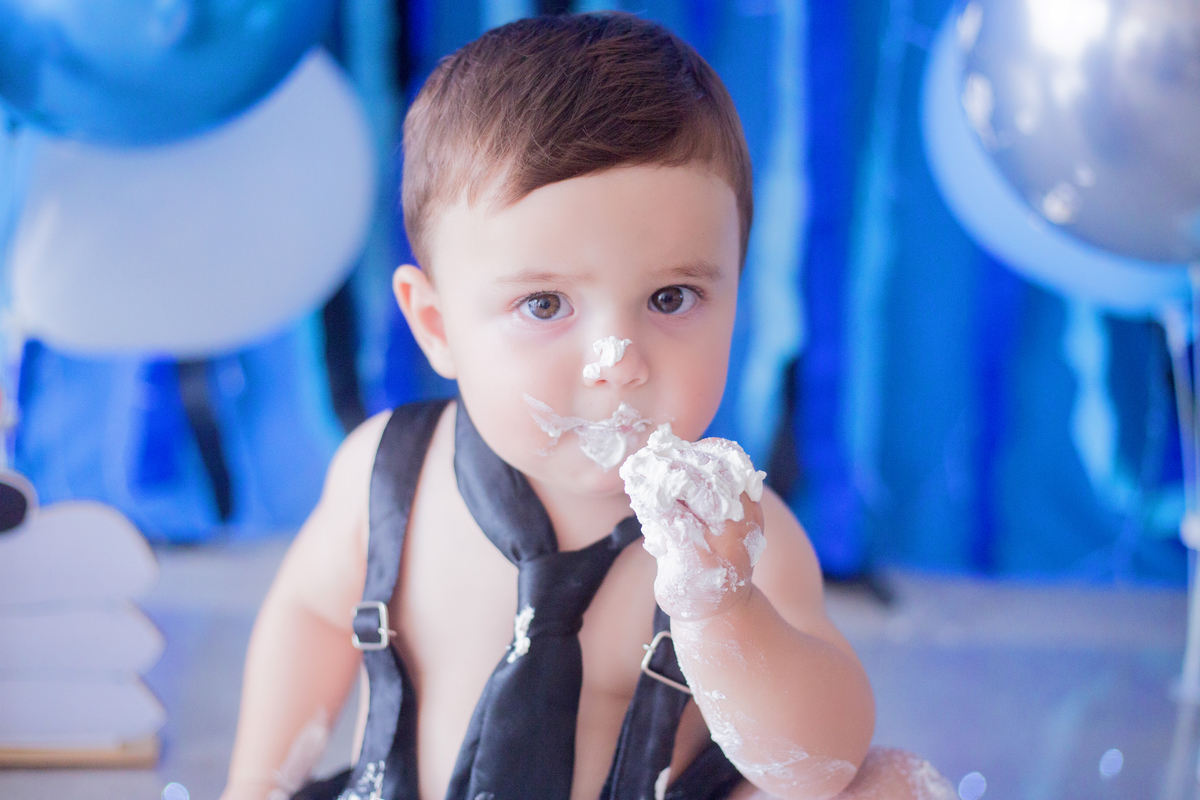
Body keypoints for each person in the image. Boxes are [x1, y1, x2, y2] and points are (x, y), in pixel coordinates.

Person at [221, 12, 953, 800]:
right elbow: (312, 616)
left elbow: (823, 763)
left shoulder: (746, 538)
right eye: (544, 306)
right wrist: (254, 786)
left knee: (890, 788)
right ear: (436, 326)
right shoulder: (388, 477)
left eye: (672, 297)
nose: (621, 362)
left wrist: (726, 612)